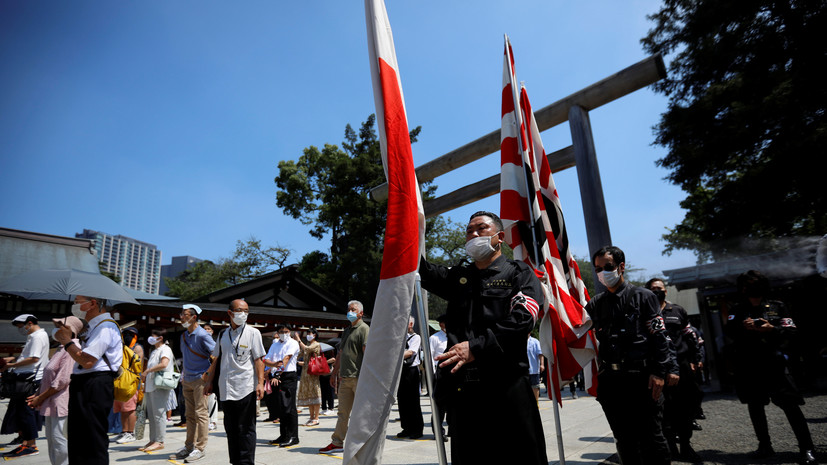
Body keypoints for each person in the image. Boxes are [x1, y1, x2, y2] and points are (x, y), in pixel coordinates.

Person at [419, 211, 548, 465]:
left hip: (507, 387)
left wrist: (476, 347)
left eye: (481, 229)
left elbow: (523, 320)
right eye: (469, 231)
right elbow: (417, 267)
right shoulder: (457, 277)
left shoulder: (518, 274)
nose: (474, 235)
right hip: (464, 393)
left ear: (499, 236)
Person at [586, 246, 677, 465]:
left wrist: (659, 372)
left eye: (607, 267)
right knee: (624, 440)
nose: (602, 273)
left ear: (621, 266)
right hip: (612, 382)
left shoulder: (643, 296)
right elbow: (575, 328)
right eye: (598, 269)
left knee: (651, 438)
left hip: (642, 379)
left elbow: (660, 337)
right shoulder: (596, 304)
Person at [724, 270, 816, 465]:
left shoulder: (777, 306)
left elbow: (792, 332)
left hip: (775, 364)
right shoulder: (737, 308)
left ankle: (807, 448)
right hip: (749, 365)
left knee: (791, 406)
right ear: (743, 288)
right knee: (755, 406)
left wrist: (771, 328)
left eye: (755, 283)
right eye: (747, 284)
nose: (751, 287)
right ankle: (765, 446)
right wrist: (744, 327)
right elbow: (729, 333)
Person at [53, 295, 122, 465]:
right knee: (79, 437)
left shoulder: (105, 326)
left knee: (92, 438)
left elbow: (88, 361)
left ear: (92, 304)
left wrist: (67, 341)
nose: (75, 306)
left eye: (78, 302)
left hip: (95, 384)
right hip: (86, 383)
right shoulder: (95, 326)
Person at [645, 278, 702, 462]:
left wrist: (696, 359)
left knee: (685, 408)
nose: (656, 292)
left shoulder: (677, 311)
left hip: (682, 366)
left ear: (665, 291)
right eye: (652, 289)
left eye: (659, 289)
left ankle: (686, 446)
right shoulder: (645, 313)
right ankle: (671, 447)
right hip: (658, 368)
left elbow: (690, 336)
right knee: (663, 410)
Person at [203, 299, 266, 465]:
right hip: (225, 388)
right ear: (230, 313)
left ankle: (246, 462)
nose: (243, 314)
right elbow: (216, 359)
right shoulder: (223, 334)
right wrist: (209, 381)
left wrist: (260, 383)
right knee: (230, 429)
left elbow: (259, 360)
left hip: (246, 386)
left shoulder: (253, 333)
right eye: (240, 310)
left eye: (246, 311)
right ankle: (236, 461)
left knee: (246, 428)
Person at [25, 316, 84, 465]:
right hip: (51, 401)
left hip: (60, 402)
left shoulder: (72, 349)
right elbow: (49, 376)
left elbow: (62, 381)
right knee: (52, 441)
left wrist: (40, 397)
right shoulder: (61, 348)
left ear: (70, 329)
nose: (56, 329)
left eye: (60, 325)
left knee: (60, 443)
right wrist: (38, 394)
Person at [318, 300, 369, 454]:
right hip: (345, 377)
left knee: (361, 414)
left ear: (361, 313)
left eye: (353, 310)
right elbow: (340, 354)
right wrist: (334, 373)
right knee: (343, 413)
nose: (350, 312)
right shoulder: (347, 330)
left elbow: (367, 354)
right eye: (348, 309)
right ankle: (337, 442)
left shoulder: (364, 329)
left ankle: (362, 444)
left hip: (359, 377)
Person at [1, 314, 49, 458]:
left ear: (29, 323)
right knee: (22, 413)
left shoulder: (36, 337)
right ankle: (26, 443)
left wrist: (11, 365)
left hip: (28, 380)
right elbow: (30, 356)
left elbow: (34, 358)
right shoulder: (37, 335)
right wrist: (13, 359)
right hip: (29, 378)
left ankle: (31, 445)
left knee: (26, 413)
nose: (20, 329)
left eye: (21, 326)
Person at [173, 304, 216, 463]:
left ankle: (200, 448)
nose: (181, 317)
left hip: (200, 379)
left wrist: (207, 375)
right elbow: (186, 357)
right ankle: (189, 446)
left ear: (193, 317)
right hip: (187, 379)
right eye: (181, 314)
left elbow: (216, 355)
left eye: (184, 314)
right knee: (189, 415)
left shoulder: (203, 335)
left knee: (201, 414)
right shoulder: (183, 336)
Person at [263, 324, 300, 447]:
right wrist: (273, 366)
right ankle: (283, 435)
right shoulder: (275, 344)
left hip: (288, 376)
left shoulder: (293, 343)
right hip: (276, 376)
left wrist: (278, 372)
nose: (284, 333)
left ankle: (293, 436)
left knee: (288, 407)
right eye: (281, 331)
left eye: (286, 331)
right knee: (280, 407)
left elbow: (286, 359)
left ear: (290, 332)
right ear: (277, 332)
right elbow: (266, 360)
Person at [138, 328, 174, 453]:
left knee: (159, 414)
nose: (151, 337)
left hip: (159, 385)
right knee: (152, 415)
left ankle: (160, 440)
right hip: (151, 386)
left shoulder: (165, 349)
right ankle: (153, 439)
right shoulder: (155, 350)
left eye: (153, 335)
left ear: (160, 338)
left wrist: (147, 371)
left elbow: (164, 364)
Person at [110, 327, 143, 445]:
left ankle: (130, 432)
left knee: (129, 409)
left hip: (131, 381)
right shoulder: (121, 348)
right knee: (121, 409)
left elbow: (137, 363)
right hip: (119, 381)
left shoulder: (137, 348)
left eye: (130, 334)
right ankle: (123, 432)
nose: (127, 336)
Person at [397, 316, 424, 439]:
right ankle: (406, 428)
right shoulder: (398, 338)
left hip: (411, 371)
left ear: (411, 324)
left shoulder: (416, 337)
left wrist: (395, 356)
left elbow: (411, 352)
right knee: (402, 400)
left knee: (413, 400)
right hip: (400, 371)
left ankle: (417, 429)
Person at [293, 328, 322, 426]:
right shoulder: (308, 345)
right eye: (307, 333)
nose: (308, 335)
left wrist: (299, 340)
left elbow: (306, 349)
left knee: (315, 394)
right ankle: (311, 417)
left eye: (310, 333)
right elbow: (300, 354)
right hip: (305, 373)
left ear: (314, 335)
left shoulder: (316, 344)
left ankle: (316, 418)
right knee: (310, 396)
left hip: (313, 373)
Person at [428, 314, 448, 439]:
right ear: (441, 324)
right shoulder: (435, 338)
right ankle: (438, 432)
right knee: (439, 406)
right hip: (439, 374)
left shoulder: (454, 336)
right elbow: (429, 357)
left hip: (453, 373)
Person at [202, 324, 218, 431]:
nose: (207, 331)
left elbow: (216, 359)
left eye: (209, 329)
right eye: (205, 329)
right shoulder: (199, 344)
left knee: (212, 399)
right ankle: (202, 421)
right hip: (200, 375)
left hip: (211, 374)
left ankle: (213, 421)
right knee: (201, 400)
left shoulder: (215, 345)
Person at [318, 345, 336, 416]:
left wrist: (324, 362)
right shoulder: (319, 356)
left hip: (328, 375)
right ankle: (324, 408)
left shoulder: (328, 355)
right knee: (323, 392)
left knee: (330, 392)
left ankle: (331, 408)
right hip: (322, 375)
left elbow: (333, 360)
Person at [526, 333, 544, 402]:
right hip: (524, 370)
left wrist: (542, 364)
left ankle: (536, 403)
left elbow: (540, 354)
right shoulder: (520, 341)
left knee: (535, 387)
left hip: (534, 369)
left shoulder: (535, 341)